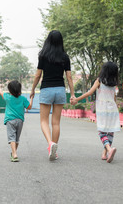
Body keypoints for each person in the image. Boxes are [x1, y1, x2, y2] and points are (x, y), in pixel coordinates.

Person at [30, 30, 75, 161]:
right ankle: (54, 151)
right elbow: (69, 77)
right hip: (60, 89)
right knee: (56, 123)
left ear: (48, 40)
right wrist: (72, 93)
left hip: (46, 89)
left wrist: (33, 89)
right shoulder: (65, 57)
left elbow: (38, 75)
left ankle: (50, 144)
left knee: (43, 121)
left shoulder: (43, 56)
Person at [70, 62, 120, 163]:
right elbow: (114, 99)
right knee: (110, 132)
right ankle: (104, 154)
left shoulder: (100, 81)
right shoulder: (114, 83)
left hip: (102, 109)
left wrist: (77, 99)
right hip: (113, 109)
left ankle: (109, 150)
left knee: (102, 131)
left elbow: (89, 92)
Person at [0, 80, 33, 162]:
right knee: (17, 138)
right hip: (20, 121)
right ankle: (14, 153)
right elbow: (29, 107)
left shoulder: (8, 97)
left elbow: (0, 92)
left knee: (11, 138)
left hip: (10, 120)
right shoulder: (23, 99)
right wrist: (31, 98)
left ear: (10, 90)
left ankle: (14, 154)